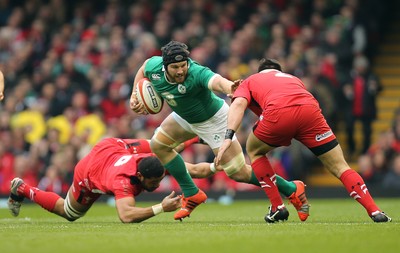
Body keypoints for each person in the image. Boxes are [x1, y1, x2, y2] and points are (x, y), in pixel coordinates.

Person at [130, 41, 310, 221]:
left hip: (214, 120)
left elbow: (216, 81)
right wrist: (134, 95)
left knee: (238, 173)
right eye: (175, 67)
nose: (180, 71)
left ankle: (291, 188)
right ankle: (192, 193)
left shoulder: (196, 72)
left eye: (183, 65)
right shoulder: (154, 66)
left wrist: (230, 87)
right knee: (158, 145)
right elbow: (144, 67)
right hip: (185, 118)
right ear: (164, 66)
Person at [216, 58, 391, 223]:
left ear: (261, 71)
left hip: (279, 113)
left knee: (254, 149)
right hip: (311, 112)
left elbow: (238, 105)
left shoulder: (251, 80)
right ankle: (375, 211)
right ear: (279, 71)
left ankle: (278, 206)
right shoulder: (293, 78)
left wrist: (228, 136)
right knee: (340, 166)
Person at [7, 138, 181, 223]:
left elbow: (170, 149)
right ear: (141, 176)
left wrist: (198, 139)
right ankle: (22, 188)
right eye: (154, 182)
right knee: (69, 213)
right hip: (89, 174)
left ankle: (21, 188)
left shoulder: (150, 154)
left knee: (159, 144)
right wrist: (161, 207)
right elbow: (126, 215)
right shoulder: (122, 181)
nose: (157, 185)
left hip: (110, 148)